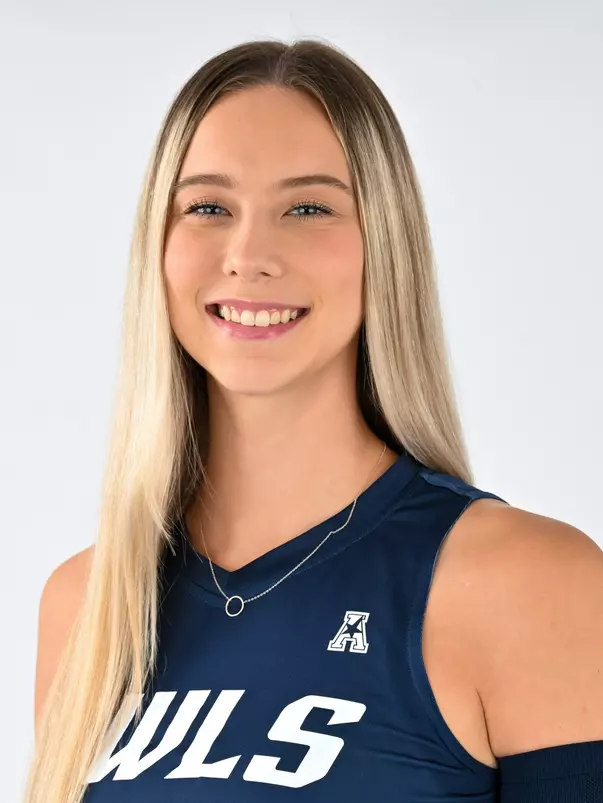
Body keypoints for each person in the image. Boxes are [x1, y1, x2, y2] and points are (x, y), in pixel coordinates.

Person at [24, 38, 603, 803]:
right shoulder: (88, 604)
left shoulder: (531, 584)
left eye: (307, 207)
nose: (248, 253)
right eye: (206, 207)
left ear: (383, 247)